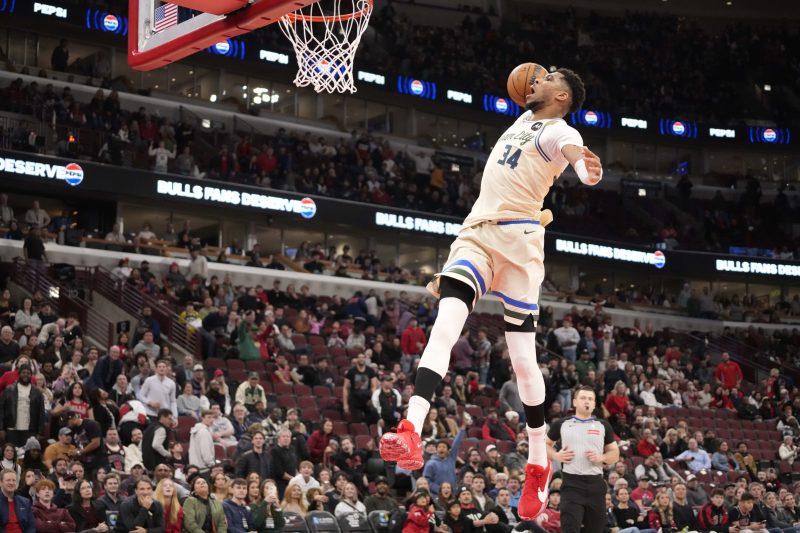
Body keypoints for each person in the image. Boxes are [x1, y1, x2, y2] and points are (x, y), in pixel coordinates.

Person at [379, 67, 600, 521]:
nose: (535, 81)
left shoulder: (561, 130)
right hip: (477, 235)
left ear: (561, 95)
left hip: (520, 243)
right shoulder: (523, 119)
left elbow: (574, 155)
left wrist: (585, 169)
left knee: (523, 360)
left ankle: (537, 460)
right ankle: (410, 428)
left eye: (546, 78)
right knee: (445, 325)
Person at [546, 386, 619, 533]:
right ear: (574, 402)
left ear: (594, 404)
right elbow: (545, 444)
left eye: (590, 399)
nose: (587, 401)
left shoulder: (603, 425)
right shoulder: (562, 424)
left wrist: (602, 457)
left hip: (596, 485)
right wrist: (556, 455)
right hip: (571, 484)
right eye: (583, 398)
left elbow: (615, 454)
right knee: (570, 529)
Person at [0, 364, 45, 447]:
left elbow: (41, 413)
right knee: (13, 452)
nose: (26, 375)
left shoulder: (37, 392)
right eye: (23, 372)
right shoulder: (9, 390)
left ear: (31, 375)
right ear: (19, 374)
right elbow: (1, 410)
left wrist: (39, 432)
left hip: (30, 430)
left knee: (27, 453)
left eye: (28, 373)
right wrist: (1, 428)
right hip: (11, 429)